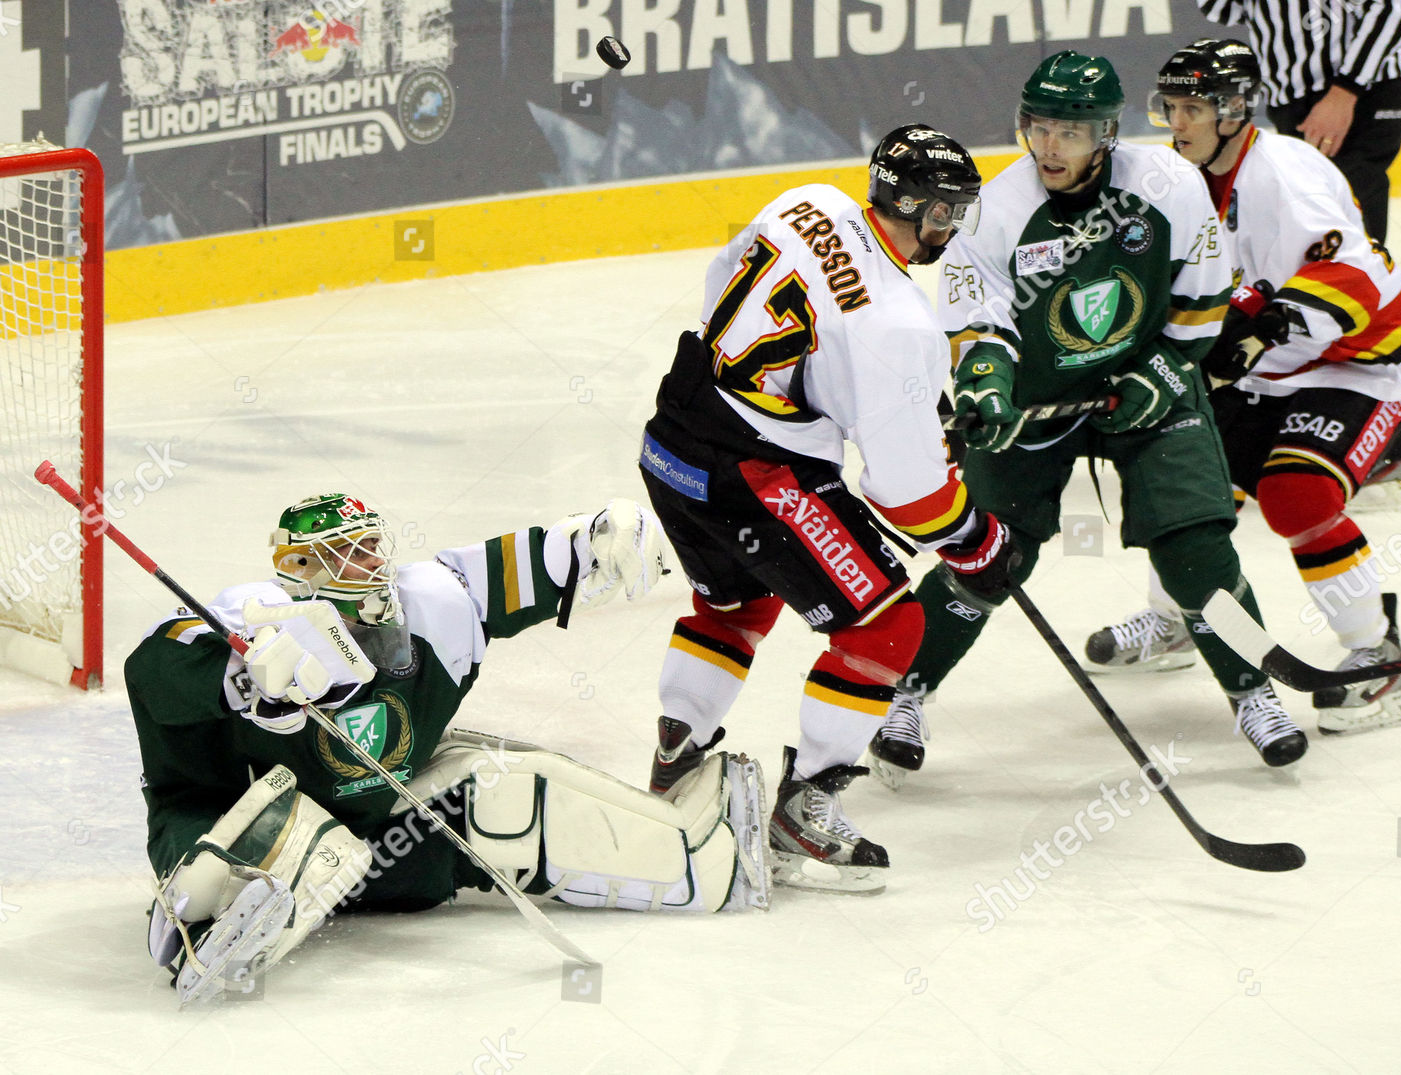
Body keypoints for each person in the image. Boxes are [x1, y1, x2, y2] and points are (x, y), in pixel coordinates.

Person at [129, 491, 770, 1004]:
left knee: (500, 790)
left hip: (384, 839)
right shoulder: (253, 622)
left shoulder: (430, 604)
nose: (371, 564)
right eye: (345, 554)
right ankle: (200, 923)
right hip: (238, 819)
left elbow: (509, 572)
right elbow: (157, 663)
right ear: (300, 570)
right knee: (293, 840)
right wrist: (238, 679)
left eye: (372, 546)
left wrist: (591, 538)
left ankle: (699, 860)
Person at [866, 52, 1306, 788]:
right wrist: (984, 385)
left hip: (1149, 383)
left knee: (1196, 549)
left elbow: (1200, 311)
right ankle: (902, 692)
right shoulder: (996, 210)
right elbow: (978, 323)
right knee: (986, 556)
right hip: (1037, 397)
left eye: (1068, 132)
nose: (1048, 147)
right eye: (1038, 128)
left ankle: (1251, 686)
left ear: (1106, 132)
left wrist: (1161, 373)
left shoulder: (1170, 187)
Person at [638, 124, 1016, 893]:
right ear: (908, 205)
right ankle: (801, 812)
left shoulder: (808, 202)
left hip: (673, 437)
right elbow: (908, 496)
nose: (947, 229)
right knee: (891, 623)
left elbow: (724, 290)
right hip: (752, 471)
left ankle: (676, 762)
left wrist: (888, 400)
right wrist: (976, 539)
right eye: (941, 213)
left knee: (735, 602)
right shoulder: (899, 320)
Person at [1085, 39, 1401, 736]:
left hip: (1359, 360)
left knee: (1297, 493)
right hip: (1271, 367)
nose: (1176, 123)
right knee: (1174, 464)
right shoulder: (1179, 177)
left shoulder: (1284, 175)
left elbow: (1353, 277)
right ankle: (1179, 618)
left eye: (1191, 108)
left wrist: (1258, 332)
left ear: (1235, 110)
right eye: (1171, 107)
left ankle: (1377, 654)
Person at [1196, 0, 1401, 482]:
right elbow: (1218, 8)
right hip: (1293, 101)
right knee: (1295, 266)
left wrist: (1345, 92)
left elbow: (1397, 10)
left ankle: (1386, 444)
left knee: (1348, 264)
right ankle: (1300, 422)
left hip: (1359, 99)